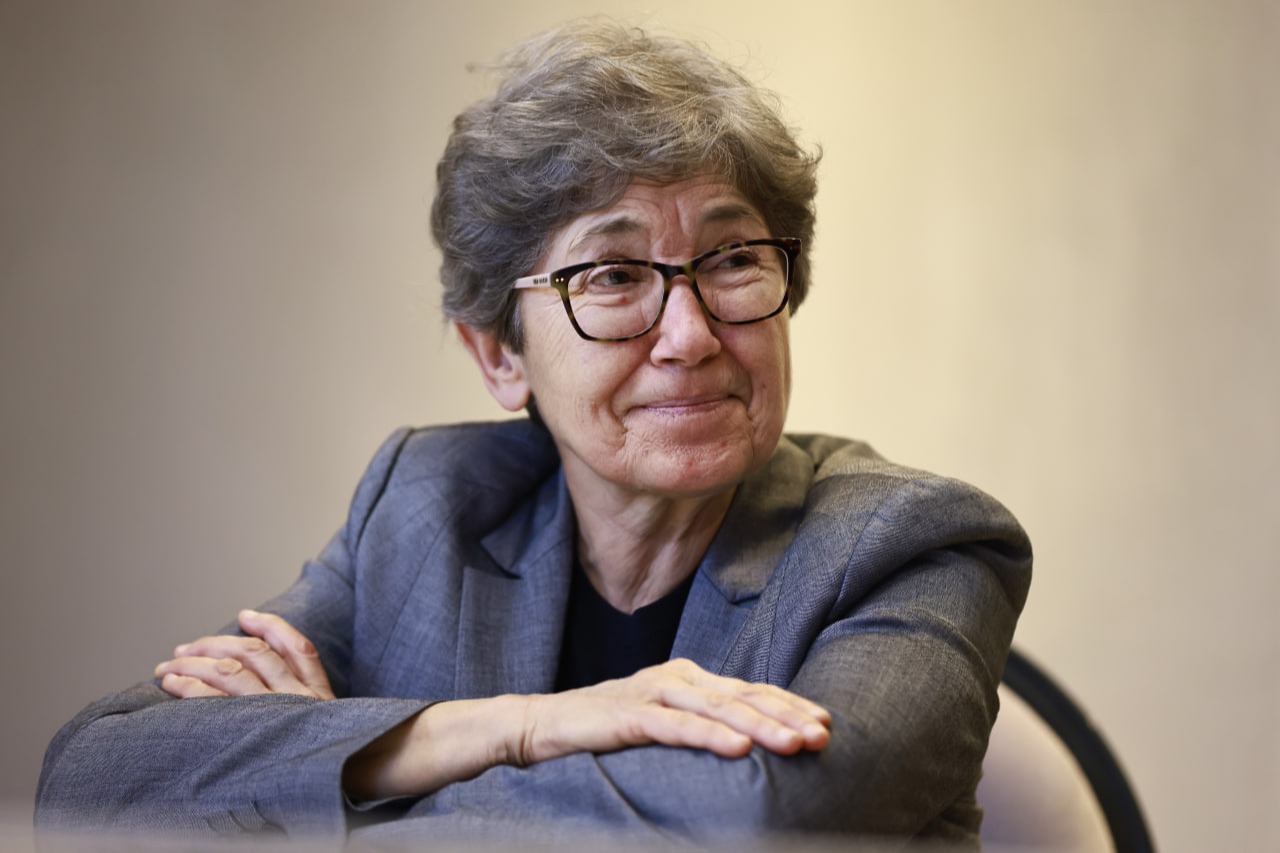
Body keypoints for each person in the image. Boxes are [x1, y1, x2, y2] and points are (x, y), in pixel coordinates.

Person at [36, 20, 1031, 846]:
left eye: (732, 259)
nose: (690, 336)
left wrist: (340, 777)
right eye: (613, 276)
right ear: (499, 354)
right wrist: (515, 727)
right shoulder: (427, 509)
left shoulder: (911, 546)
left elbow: (759, 822)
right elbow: (89, 780)